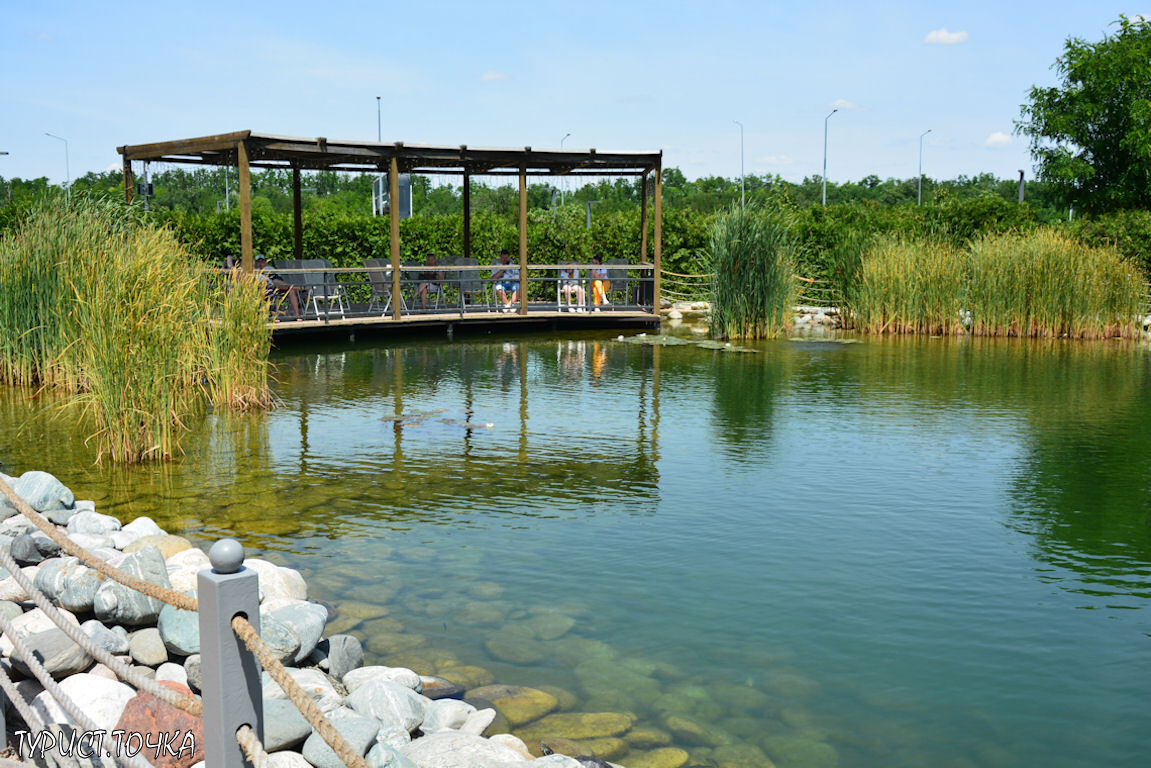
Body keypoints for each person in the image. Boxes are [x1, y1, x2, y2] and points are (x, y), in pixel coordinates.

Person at [254, 255, 302, 319]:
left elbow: (278, 279)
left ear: (265, 262)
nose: (260, 263)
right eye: (258, 261)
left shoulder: (270, 268)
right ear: (256, 263)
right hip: (265, 289)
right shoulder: (254, 271)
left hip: (277, 287)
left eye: (262, 261)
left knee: (291, 291)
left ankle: (297, 315)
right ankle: (299, 287)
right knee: (271, 286)